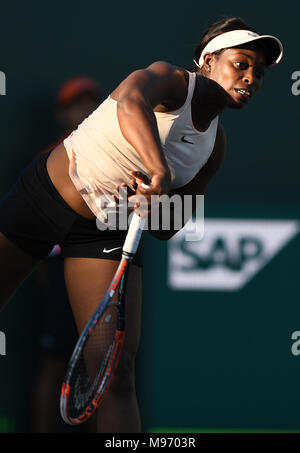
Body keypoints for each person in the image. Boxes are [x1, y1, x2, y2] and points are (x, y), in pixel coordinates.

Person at [0, 17, 283, 433]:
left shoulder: (214, 147)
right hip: (46, 197)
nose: (250, 77)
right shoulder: (171, 81)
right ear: (208, 60)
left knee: (116, 375)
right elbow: (130, 101)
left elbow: (169, 227)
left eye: (258, 72)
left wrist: (158, 204)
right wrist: (159, 171)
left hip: (104, 232)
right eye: (241, 63)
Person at [32, 76, 105, 433]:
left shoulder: (114, 158)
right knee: (54, 361)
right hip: (60, 275)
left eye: (91, 102)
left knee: (101, 365)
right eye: (76, 104)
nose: (85, 110)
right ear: (64, 113)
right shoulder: (48, 160)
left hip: (102, 277)